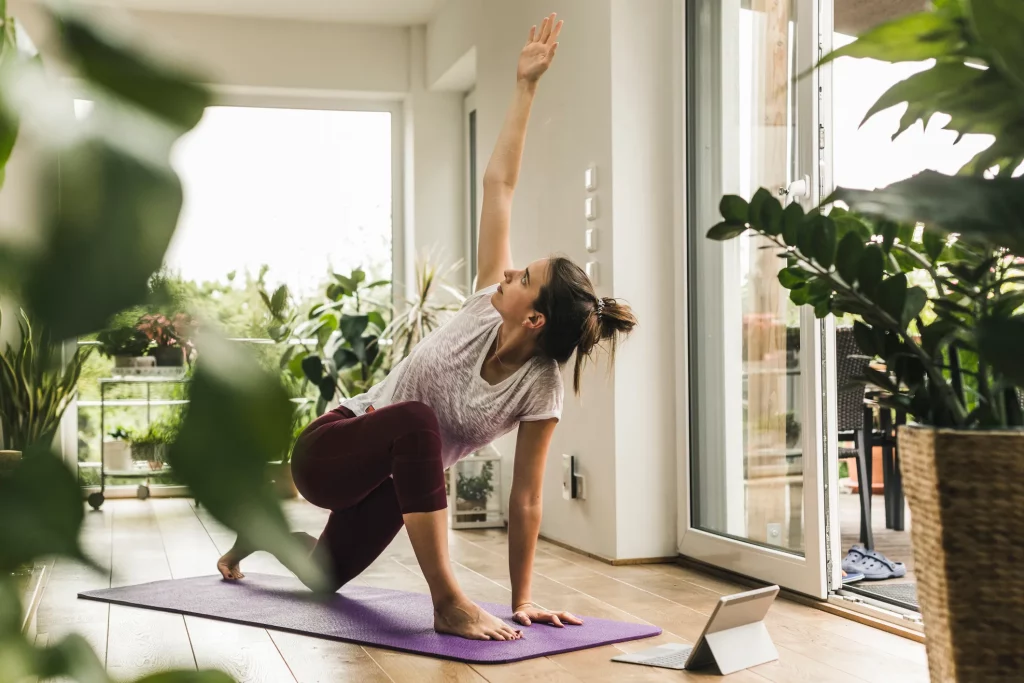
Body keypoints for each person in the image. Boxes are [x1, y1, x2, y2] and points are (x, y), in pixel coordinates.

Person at [216, 13, 637, 642]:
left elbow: (525, 498)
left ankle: (256, 533)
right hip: (334, 448)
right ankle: (449, 601)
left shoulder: (539, 390)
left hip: (392, 484)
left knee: (323, 576)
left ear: (536, 318)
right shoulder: (481, 305)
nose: (509, 273)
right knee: (417, 420)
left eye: (523, 277)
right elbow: (500, 184)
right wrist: (525, 87)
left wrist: (524, 600)